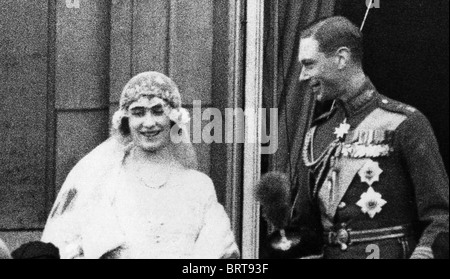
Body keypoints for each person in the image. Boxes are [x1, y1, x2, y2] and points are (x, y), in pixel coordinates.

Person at [284, 16, 448, 259]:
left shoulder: (405, 123)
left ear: (341, 58)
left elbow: (441, 217)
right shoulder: (317, 134)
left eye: (309, 64)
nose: (302, 76)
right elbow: (307, 231)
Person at [41, 71, 239, 259]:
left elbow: (220, 251)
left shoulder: (199, 186)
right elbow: (68, 244)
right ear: (126, 121)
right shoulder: (103, 180)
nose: (149, 123)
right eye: (138, 113)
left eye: (157, 111)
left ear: (173, 119)